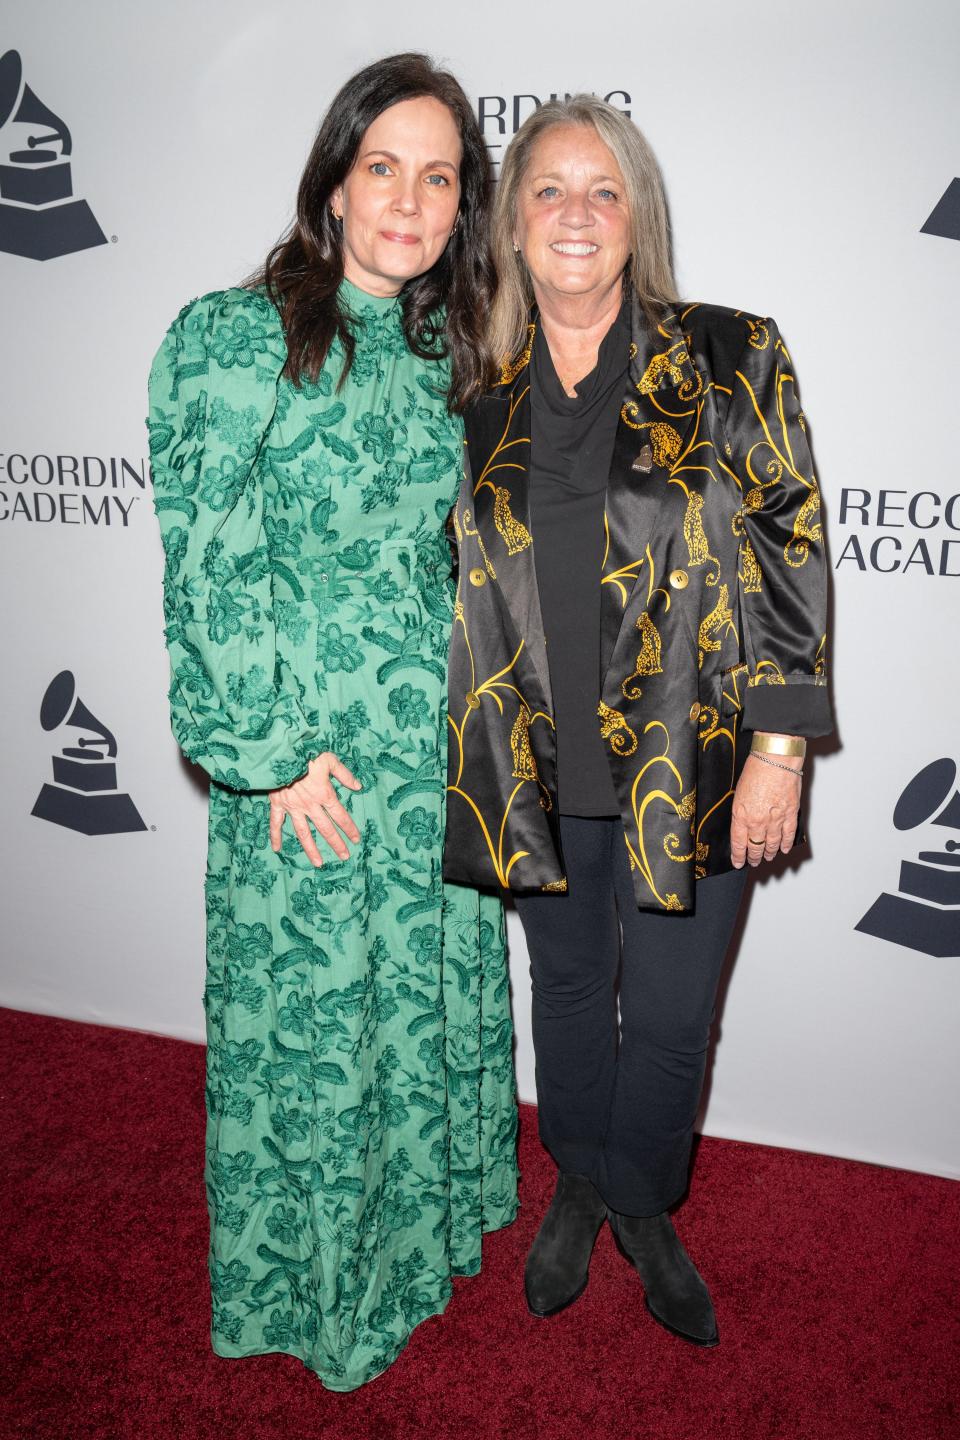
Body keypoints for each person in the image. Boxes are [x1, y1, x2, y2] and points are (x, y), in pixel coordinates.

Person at [146, 53, 517, 1392]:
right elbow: (208, 563)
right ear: (335, 178)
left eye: (440, 177)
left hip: (429, 752)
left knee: (402, 1008)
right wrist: (262, 757)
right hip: (312, 756)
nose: (410, 201)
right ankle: (314, 1289)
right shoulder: (241, 337)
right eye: (385, 168)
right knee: (314, 1027)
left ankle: (408, 1249)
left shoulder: (439, 348)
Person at [443, 96, 833, 1347]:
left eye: (602, 190)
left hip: (696, 755)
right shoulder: (469, 386)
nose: (574, 213)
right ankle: (579, 1180)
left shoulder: (731, 352)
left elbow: (790, 546)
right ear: (510, 222)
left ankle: (646, 1204)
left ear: (636, 217)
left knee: (669, 1013)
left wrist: (780, 750)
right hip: (534, 764)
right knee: (565, 990)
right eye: (547, 188)